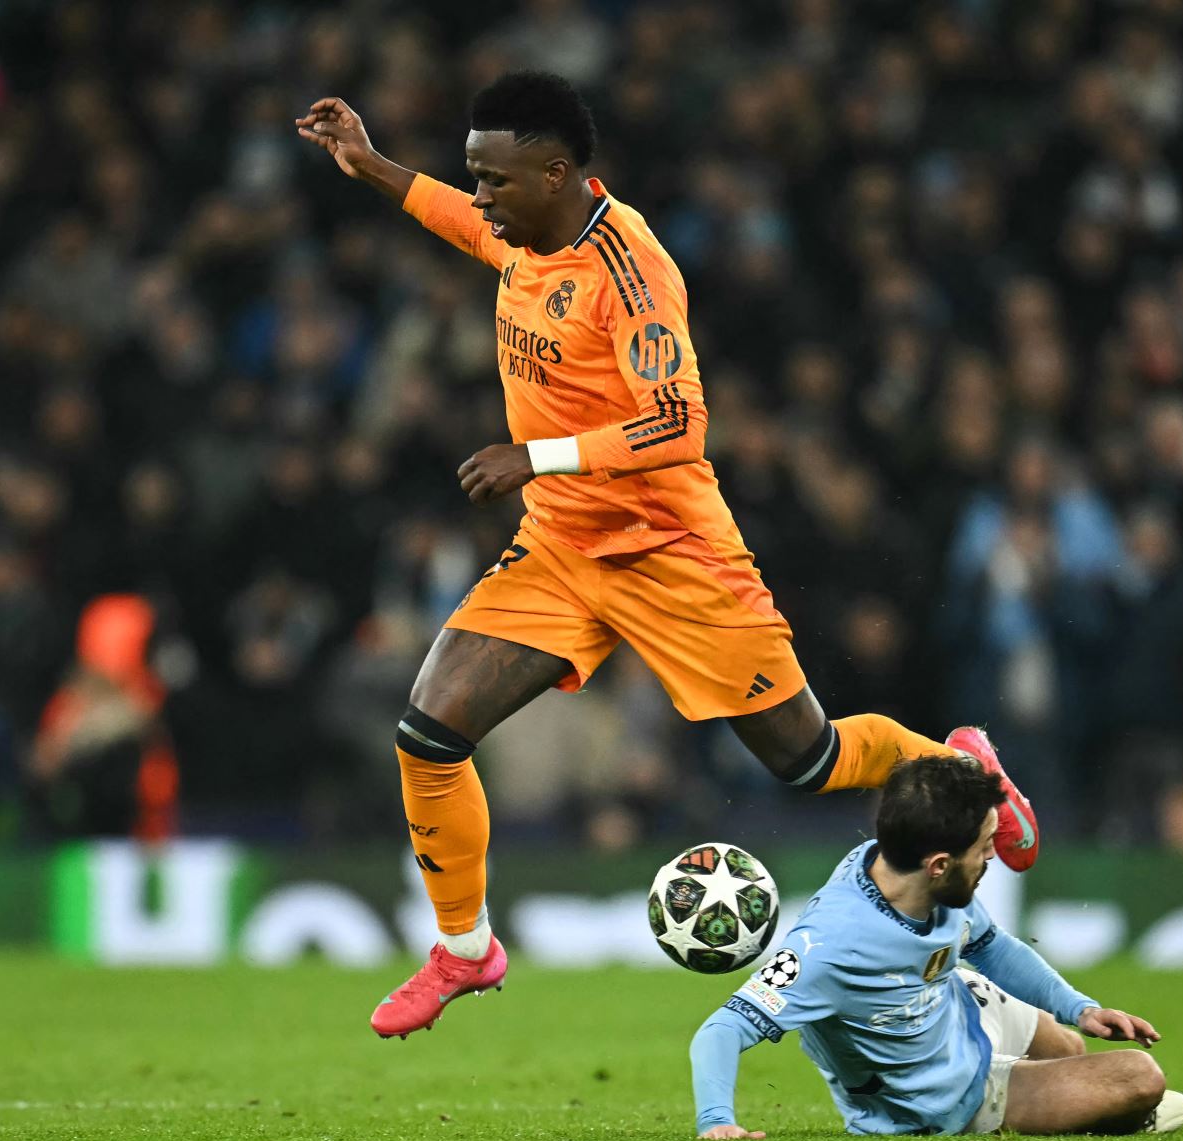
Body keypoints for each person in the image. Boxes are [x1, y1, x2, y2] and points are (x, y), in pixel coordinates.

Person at [296, 71, 1042, 1040]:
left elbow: (679, 423)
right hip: (564, 544)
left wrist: (536, 456)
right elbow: (460, 223)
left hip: (673, 553)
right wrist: (373, 166)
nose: (479, 195)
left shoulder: (630, 271)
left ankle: (964, 768)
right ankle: (465, 952)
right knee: (429, 735)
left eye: (494, 179)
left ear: (557, 173)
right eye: (473, 174)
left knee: (809, 762)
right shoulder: (524, 233)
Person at [690, 755, 1183, 1138]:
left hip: (952, 1002)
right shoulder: (829, 945)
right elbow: (720, 1030)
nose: (996, 852)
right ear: (939, 864)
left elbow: (992, 948)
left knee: (1070, 1044)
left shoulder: (906, 863)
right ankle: (1033, 1101)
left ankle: (1049, 1089)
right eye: (985, 844)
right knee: (1139, 1080)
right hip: (938, 1094)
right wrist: (717, 1120)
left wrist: (1079, 1008)